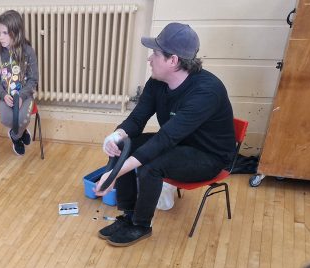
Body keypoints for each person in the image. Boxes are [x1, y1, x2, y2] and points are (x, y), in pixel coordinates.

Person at [95, 22, 235, 246]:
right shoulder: (157, 82)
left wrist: (114, 174)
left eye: (155, 54)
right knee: (125, 145)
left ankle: (141, 225)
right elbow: (138, 118)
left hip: (208, 156)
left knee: (151, 163)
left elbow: (164, 139)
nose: (149, 59)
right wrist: (117, 135)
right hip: (177, 144)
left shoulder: (206, 91)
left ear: (173, 60)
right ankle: (128, 215)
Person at [0, 9, 38, 157]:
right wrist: (3, 95)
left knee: (22, 118)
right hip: (6, 97)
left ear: (16, 32)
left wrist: (22, 96)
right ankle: (21, 134)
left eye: (5, 33)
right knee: (6, 118)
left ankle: (15, 137)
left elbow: (33, 80)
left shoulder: (28, 51)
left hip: (25, 95)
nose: (1, 37)